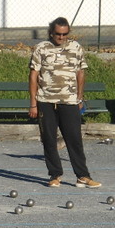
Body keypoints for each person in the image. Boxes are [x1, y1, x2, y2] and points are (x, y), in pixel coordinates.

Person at [28, 17, 101, 189]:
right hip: (45, 100)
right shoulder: (41, 48)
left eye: (65, 34)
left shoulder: (76, 48)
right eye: (58, 34)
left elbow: (81, 73)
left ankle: (83, 176)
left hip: (69, 101)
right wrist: (33, 103)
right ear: (51, 33)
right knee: (49, 139)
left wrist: (79, 98)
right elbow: (33, 76)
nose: (61, 38)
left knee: (74, 139)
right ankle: (55, 175)